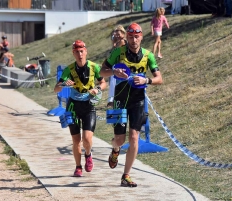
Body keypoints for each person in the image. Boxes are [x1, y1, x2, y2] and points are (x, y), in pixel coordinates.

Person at [100, 22, 163, 187]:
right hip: (120, 100)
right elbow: (101, 72)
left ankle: (126, 175)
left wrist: (146, 80)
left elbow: (159, 78)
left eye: (136, 37)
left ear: (141, 37)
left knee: (134, 136)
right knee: (120, 140)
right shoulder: (117, 53)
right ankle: (115, 149)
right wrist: (113, 72)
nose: (134, 40)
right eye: (130, 37)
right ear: (126, 37)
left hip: (137, 100)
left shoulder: (148, 55)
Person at [54, 40, 106, 177]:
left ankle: (88, 154)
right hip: (73, 107)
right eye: (77, 52)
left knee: (87, 139)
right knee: (76, 140)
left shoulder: (94, 67)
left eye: (82, 51)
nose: (80, 54)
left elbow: (103, 82)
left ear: (86, 51)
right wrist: (64, 83)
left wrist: (98, 89)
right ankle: (78, 167)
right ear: (73, 53)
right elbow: (56, 89)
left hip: (89, 106)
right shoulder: (69, 70)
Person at [107, 25, 128, 108]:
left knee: (114, 82)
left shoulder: (123, 42)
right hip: (116, 67)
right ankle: (112, 100)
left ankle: (112, 100)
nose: (117, 36)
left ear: (123, 33)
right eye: (115, 35)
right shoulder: (117, 44)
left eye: (119, 34)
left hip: (121, 67)